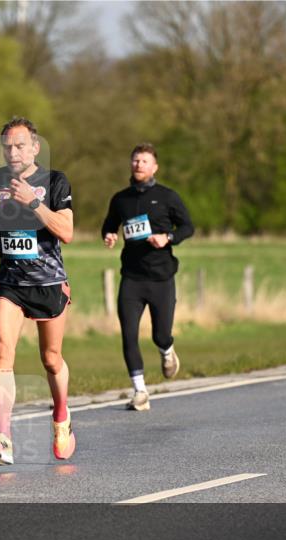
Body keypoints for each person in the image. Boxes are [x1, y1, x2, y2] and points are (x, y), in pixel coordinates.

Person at [0, 117, 76, 465]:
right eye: (7, 146)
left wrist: (33, 202)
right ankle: (4, 438)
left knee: (51, 359)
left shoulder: (55, 181)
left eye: (20, 145)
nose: (13, 152)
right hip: (10, 283)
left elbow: (66, 232)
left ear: (35, 147)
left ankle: (61, 416)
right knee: (2, 351)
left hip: (48, 283)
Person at [101, 143, 194, 410]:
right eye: (135, 160)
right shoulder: (121, 199)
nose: (138, 164)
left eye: (144, 161)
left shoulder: (167, 197)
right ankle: (140, 392)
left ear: (154, 167)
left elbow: (188, 226)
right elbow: (109, 224)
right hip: (132, 277)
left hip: (162, 277)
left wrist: (169, 238)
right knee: (129, 334)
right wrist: (108, 234)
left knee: (160, 334)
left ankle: (167, 351)